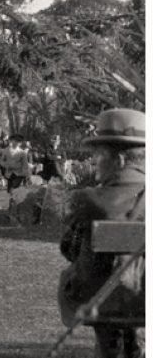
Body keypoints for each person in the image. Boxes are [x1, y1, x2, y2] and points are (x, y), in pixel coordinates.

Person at [57, 109, 145, 358]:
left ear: (119, 160)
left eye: (99, 155)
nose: (94, 161)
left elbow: (69, 249)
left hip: (100, 302)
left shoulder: (85, 200)